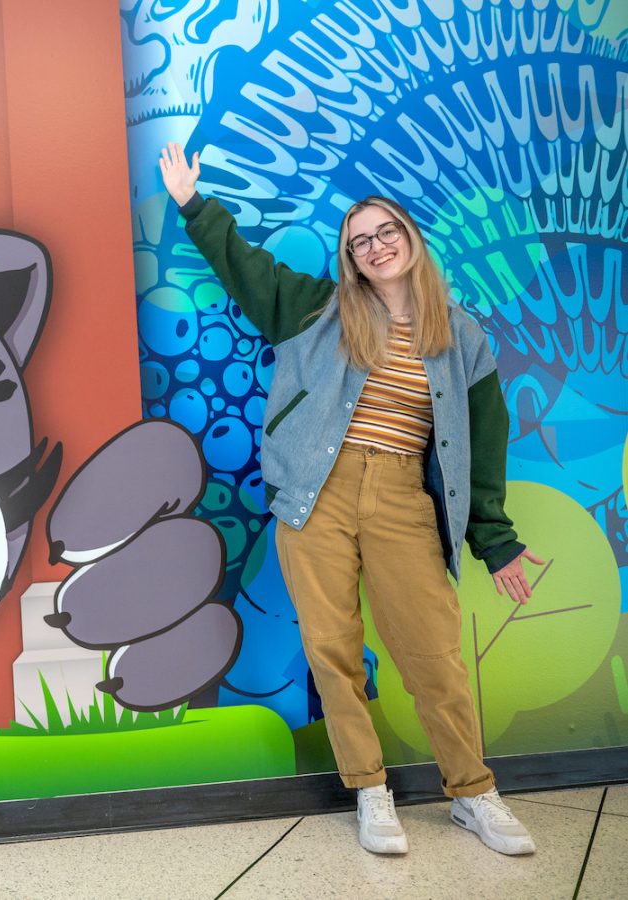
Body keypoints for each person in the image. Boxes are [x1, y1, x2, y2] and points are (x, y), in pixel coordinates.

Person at [159, 142, 544, 856]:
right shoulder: (317, 309)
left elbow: (481, 453)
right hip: (317, 494)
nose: (373, 246)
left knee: (432, 652)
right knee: (332, 648)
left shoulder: (462, 338)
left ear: (410, 239)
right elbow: (245, 268)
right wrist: (192, 203)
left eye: (384, 232)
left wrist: (494, 539)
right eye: (358, 240)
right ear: (349, 257)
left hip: (402, 497)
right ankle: (369, 791)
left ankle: (472, 792)